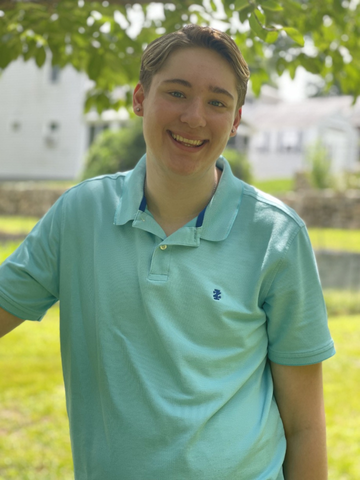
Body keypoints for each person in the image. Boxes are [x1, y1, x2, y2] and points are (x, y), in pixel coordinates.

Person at [0, 25, 335, 480]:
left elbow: (306, 425)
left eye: (218, 102)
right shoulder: (80, 215)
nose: (195, 117)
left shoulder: (277, 235)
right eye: (177, 93)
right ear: (140, 98)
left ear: (235, 121)